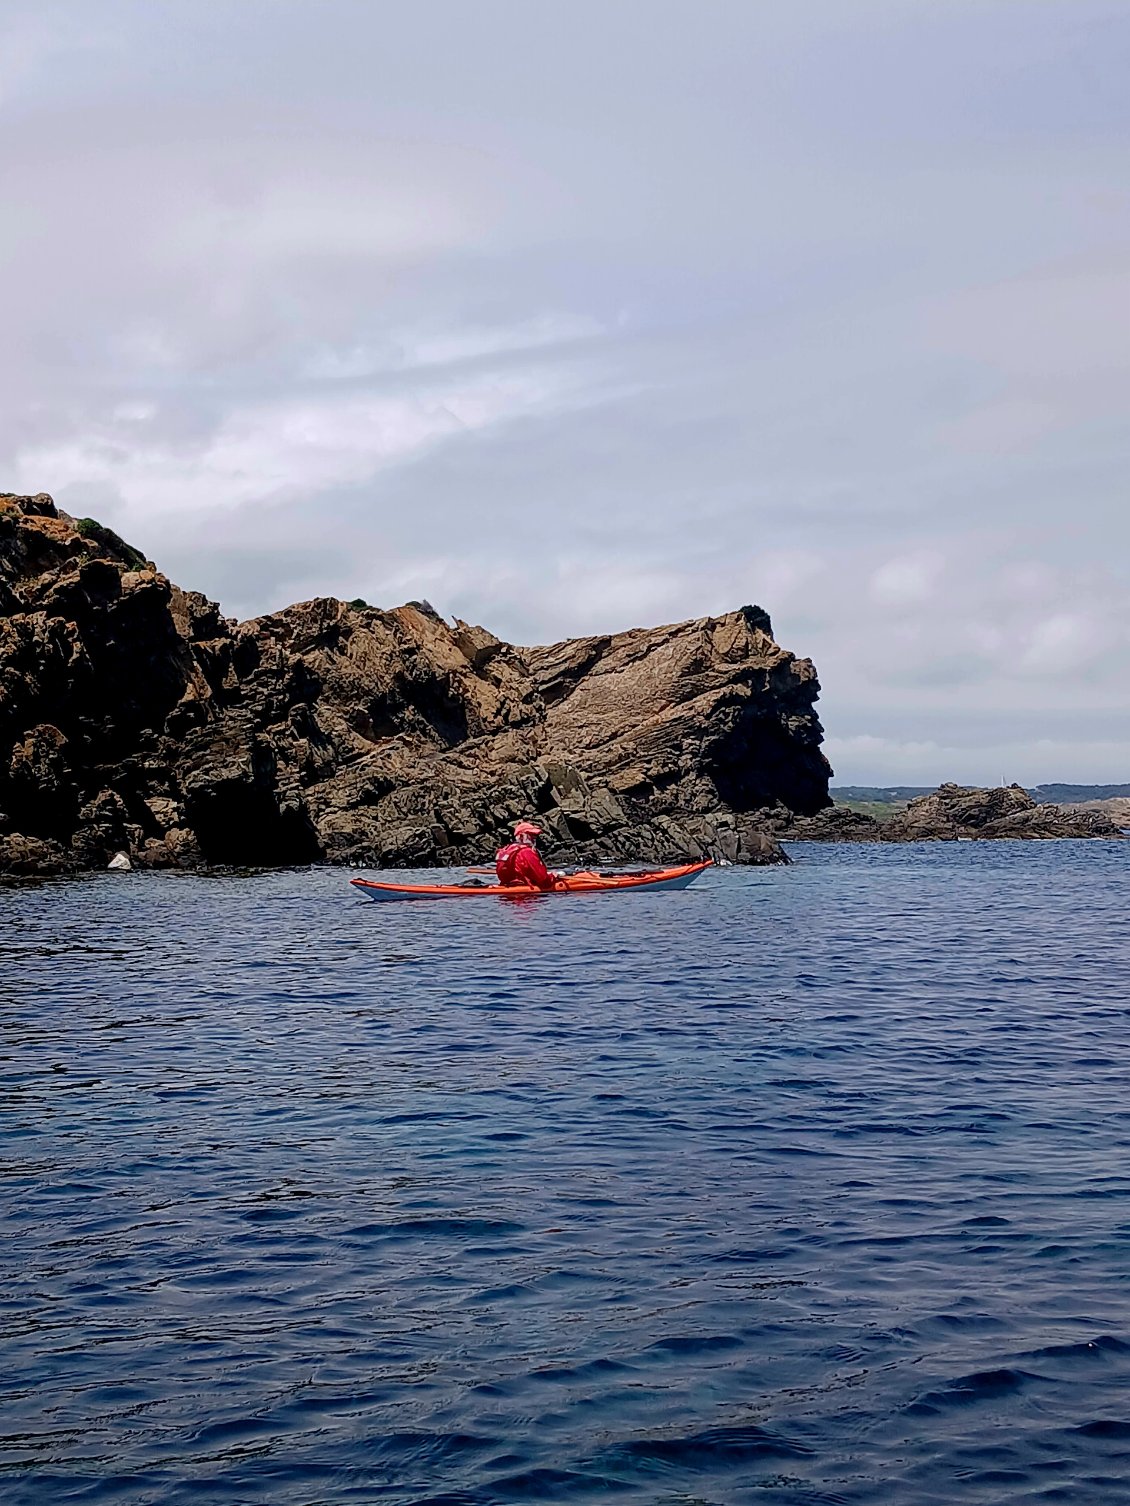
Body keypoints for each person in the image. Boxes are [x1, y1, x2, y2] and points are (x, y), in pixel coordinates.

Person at [495, 820, 558, 890]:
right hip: (526, 896)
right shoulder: (527, 852)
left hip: (507, 890)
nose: (534, 838)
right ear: (521, 836)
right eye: (531, 835)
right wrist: (553, 876)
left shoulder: (505, 849)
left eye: (535, 835)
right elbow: (543, 880)